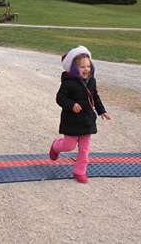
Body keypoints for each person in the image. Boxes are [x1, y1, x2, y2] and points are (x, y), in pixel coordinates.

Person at [49, 45, 111, 183]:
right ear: (74, 69)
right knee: (69, 146)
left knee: (84, 150)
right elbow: (60, 98)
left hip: (87, 120)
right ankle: (56, 146)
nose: (86, 69)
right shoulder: (68, 83)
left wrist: (102, 111)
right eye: (82, 67)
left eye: (88, 66)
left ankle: (79, 172)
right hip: (71, 120)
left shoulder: (91, 81)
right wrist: (71, 104)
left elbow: (95, 97)